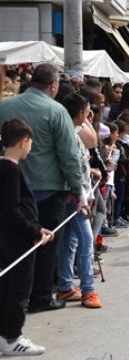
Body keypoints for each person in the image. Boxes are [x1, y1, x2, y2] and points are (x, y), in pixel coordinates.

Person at [0, 64, 84, 313]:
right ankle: (41, 297)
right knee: (46, 246)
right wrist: (78, 188)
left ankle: (12, 298)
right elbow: (69, 154)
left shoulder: (5, 106)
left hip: (10, 186)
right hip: (48, 189)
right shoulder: (56, 111)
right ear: (53, 85)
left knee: (12, 247)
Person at [0, 119, 52, 356]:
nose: (30, 147)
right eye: (30, 142)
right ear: (23, 142)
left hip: (10, 238)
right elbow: (12, 210)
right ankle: (13, 337)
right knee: (19, 289)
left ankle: (5, 335)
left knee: (8, 287)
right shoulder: (11, 170)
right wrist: (35, 230)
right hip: (18, 241)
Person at [56, 93, 102, 309]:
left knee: (71, 241)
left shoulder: (72, 131)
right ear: (79, 113)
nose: (89, 115)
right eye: (86, 111)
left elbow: (81, 160)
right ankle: (88, 289)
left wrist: (89, 169)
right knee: (85, 240)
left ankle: (65, 286)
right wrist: (81, 196)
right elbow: (70, 165)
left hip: (78, 191)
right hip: (74, 196)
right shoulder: (69, 135)